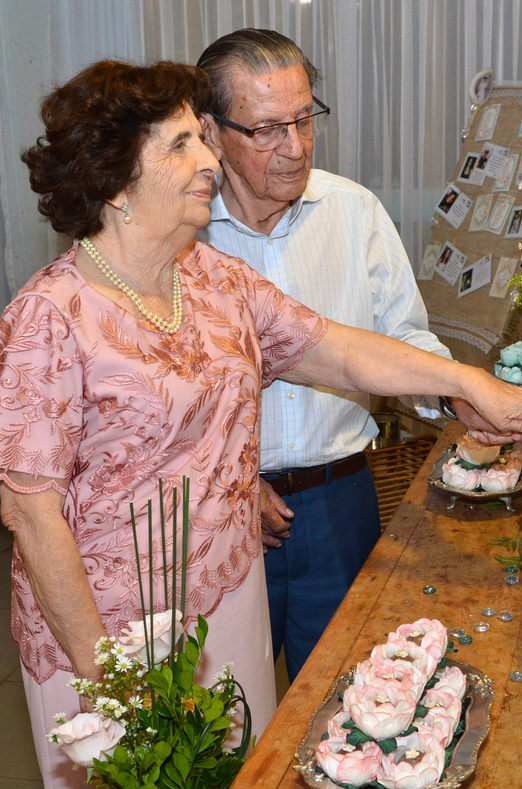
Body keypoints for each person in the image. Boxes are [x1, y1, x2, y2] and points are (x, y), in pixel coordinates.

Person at [0, 59, 522, 789]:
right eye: (181, 144)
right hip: (108, 635)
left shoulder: (212, 278)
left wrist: (467, 381)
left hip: (228, 600)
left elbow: (333, 345)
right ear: (115, 182)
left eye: (202, 139)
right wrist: (113, 682)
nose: (210, 159)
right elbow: (28, 509)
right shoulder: (49, 317)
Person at [196, 29, 499, 683]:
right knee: (221, 724)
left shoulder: (352, 211)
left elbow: (404, 339)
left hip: (340, 501)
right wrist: (225, 483)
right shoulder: (179, 234)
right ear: (212, 131)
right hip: (219, 513)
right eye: (268, 129)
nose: (296, 147)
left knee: (345, 704)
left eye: (305, 120)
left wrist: (456, 398)